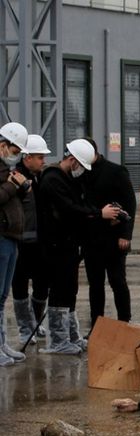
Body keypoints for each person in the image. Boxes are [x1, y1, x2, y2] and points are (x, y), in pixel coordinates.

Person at [38, 138, 120, 355]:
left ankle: (71, 335)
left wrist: (98, 211)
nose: (81, 171)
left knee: (70, 289)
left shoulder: (65, 178)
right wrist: (97, 214)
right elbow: (69, 208)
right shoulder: (52, 179)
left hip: (69, 244)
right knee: (59, 290)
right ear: (72, 160)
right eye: (80, 166)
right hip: (55, 244)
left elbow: (80, 204)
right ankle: (57, 340)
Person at [82, 139, 136, 330]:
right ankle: (97, 326)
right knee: (95, 285)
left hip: (114, 238)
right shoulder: (82, 173)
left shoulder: (116, 172)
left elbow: (130, 203)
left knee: (117, 281)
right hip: (91, 239)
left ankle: (125, 323)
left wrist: (126, 235)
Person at [11, 135, 50, 347]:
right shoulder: (15, 178)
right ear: (27, 158)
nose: (43, 161)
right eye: (39, 157)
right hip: (20, 243)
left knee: (42, 284)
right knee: (20, 286)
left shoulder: (39, 177)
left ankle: (35, 320)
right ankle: (25, 329)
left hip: (39, 242)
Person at [0, 122, 30, 366]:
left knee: (2, 296)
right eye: (14, 150)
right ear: (3, 146)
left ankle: (1, 344)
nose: (16, 155)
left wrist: (23, 186)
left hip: (11, 237)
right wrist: (12, 185)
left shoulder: (6, 170)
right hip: (1, 236)